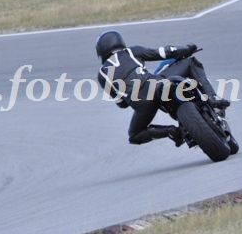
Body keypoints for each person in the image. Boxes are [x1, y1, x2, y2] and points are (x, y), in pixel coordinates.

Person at [95, 31, 229, 147]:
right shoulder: (130, 51)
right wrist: (187, 48)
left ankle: (171, 131)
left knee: (134, 135)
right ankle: (213, 99)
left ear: (100, 51)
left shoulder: (102, 74)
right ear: (120, 42)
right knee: (190, 63)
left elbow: (122, 104)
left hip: (141, 104)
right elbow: (165, 52)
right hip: (156, 86)